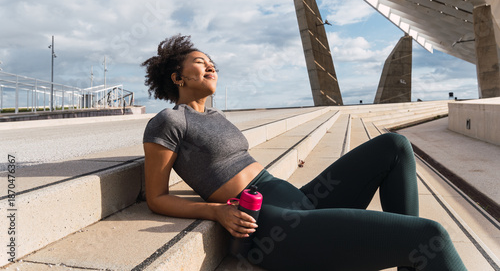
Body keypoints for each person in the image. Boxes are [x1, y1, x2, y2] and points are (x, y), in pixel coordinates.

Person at [142, 34, 467, 271]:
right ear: (177, 77)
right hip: (272, 226)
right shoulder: (169, 121)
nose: (211, 65)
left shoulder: (214, 116)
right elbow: (157, 197)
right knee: (429, 234)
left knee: (395, 146)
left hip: (302, 201)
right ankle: (412, 252)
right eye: (200, 62)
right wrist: (216, 211)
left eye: (212, 62)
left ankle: (411, 263)